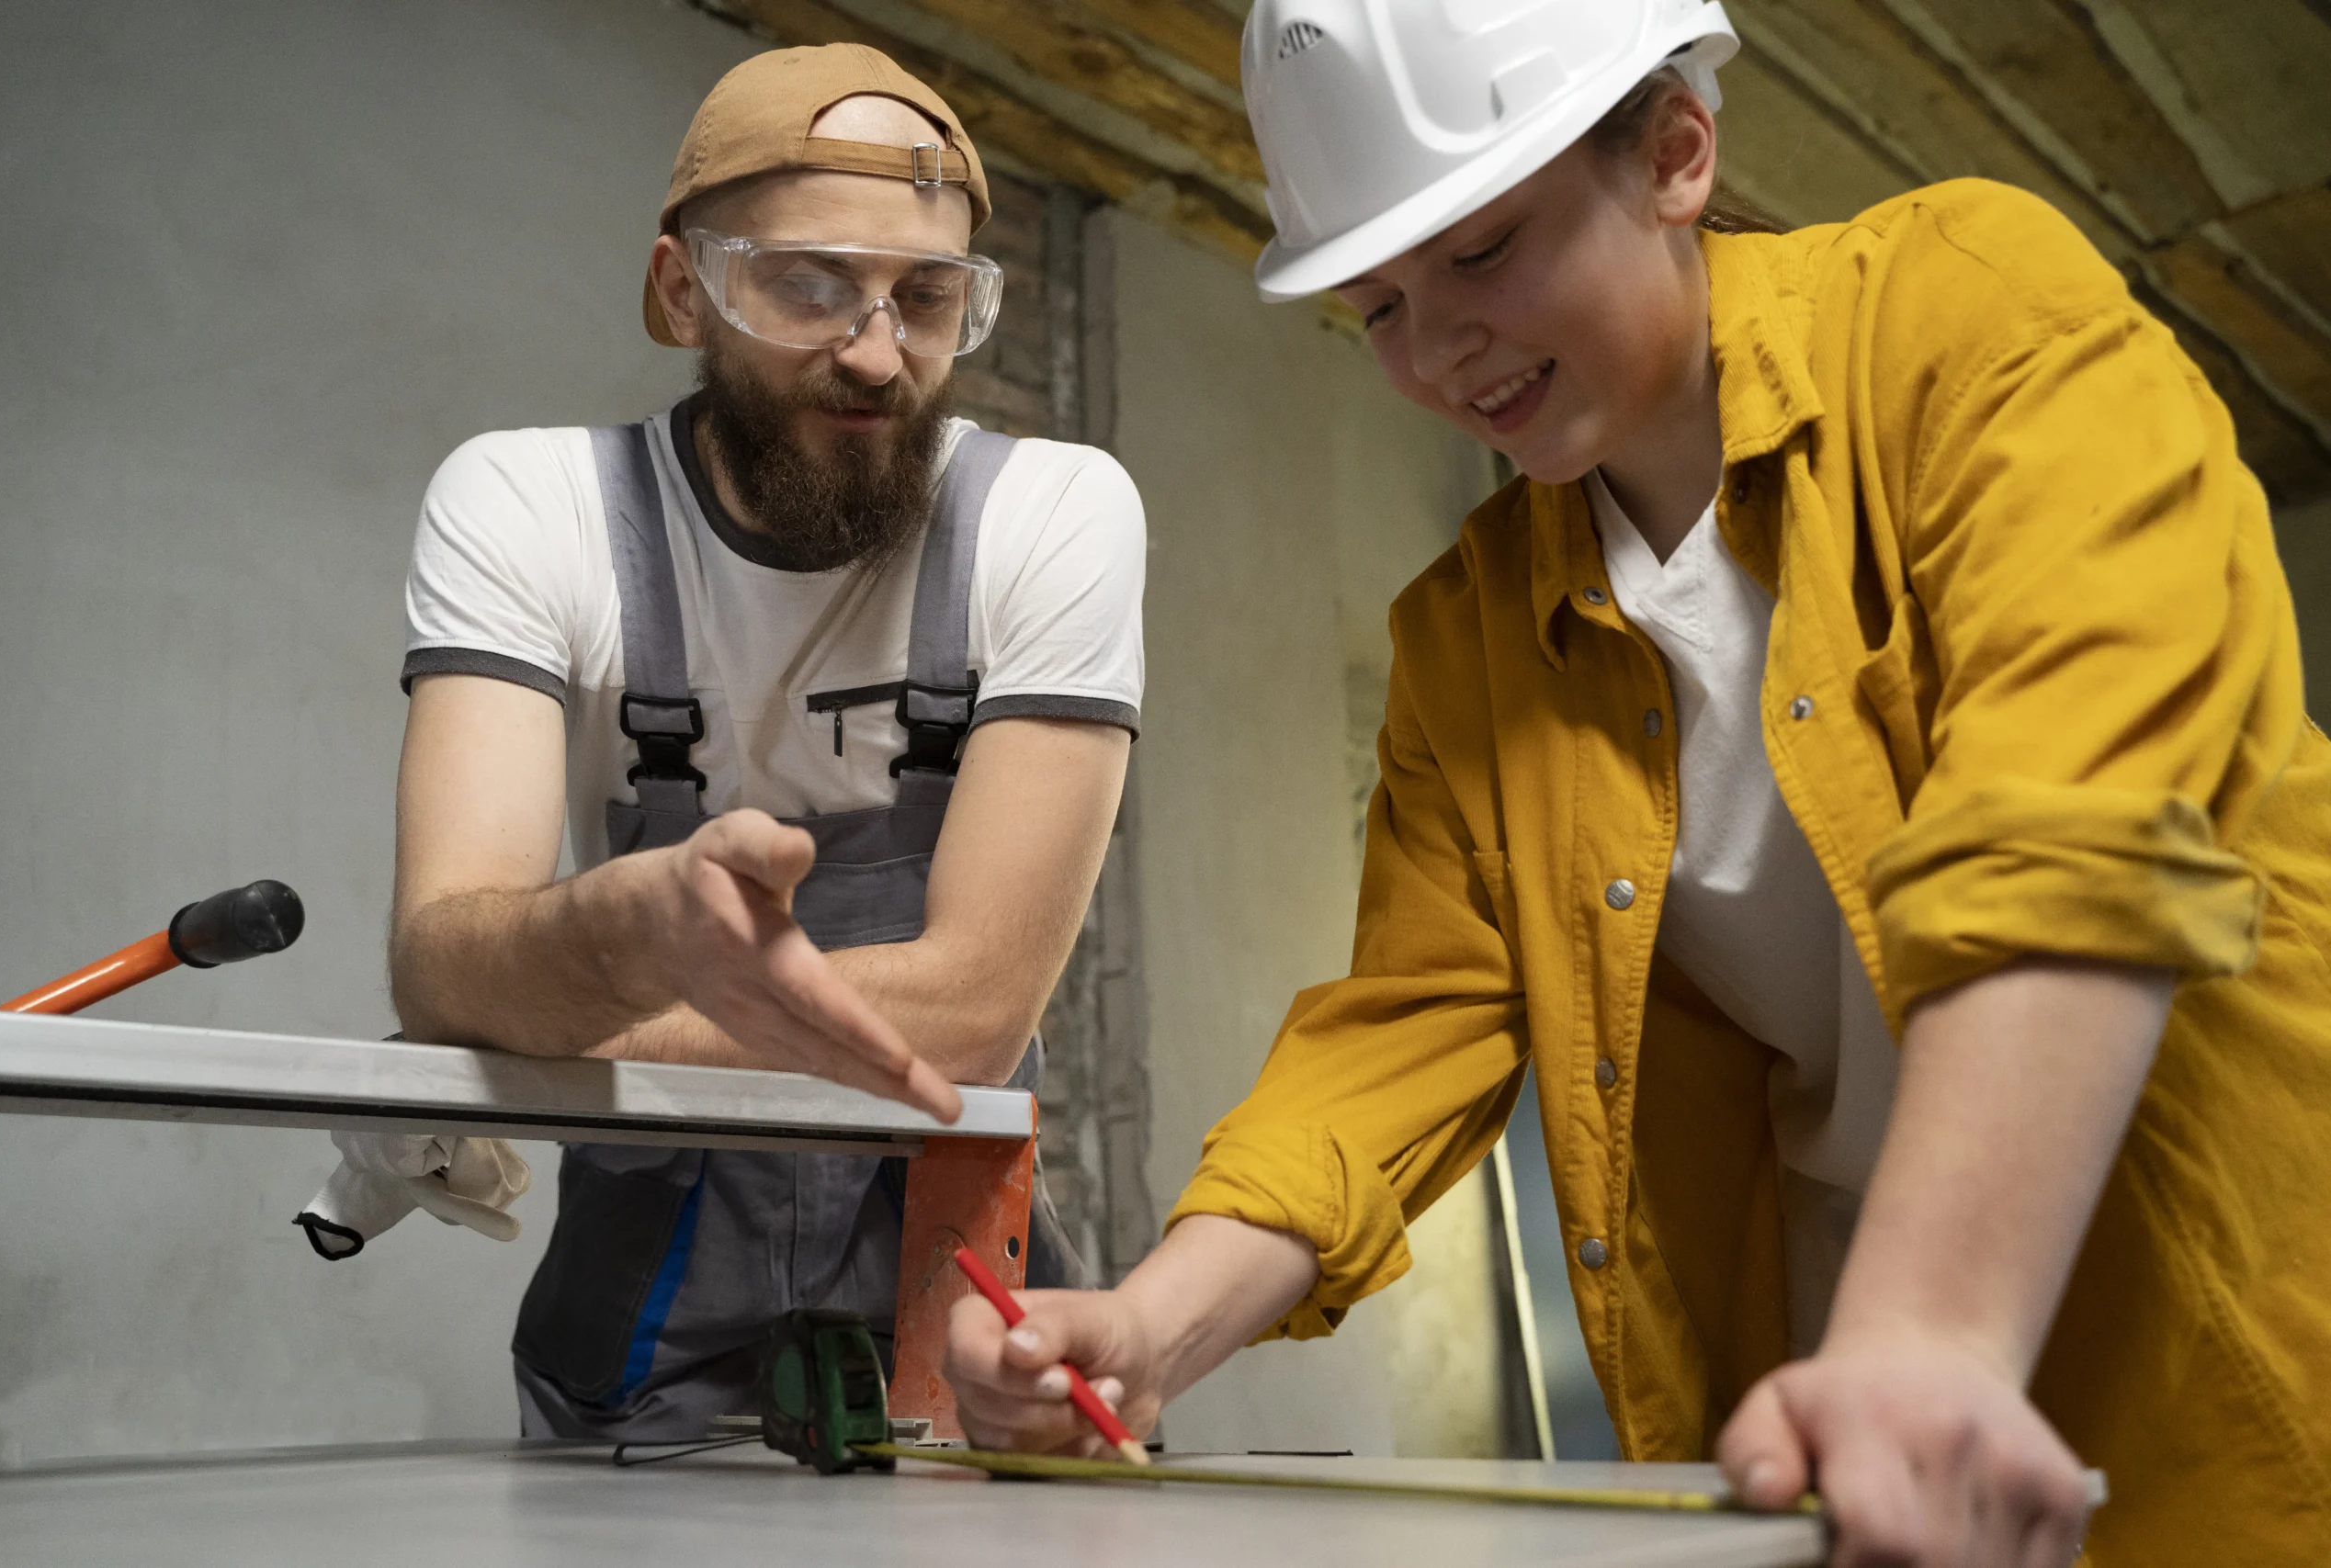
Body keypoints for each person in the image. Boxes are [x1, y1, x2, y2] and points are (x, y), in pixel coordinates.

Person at [943, 5, 2331, 1565]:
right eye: (1377, 304)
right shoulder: (1468, 638)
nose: (1435, 349)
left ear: (1677, 149)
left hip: (2221, 1368)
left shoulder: (1970, 315)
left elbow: (2075, 810)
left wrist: (1934, 1330)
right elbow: (1400, 1037)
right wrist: (1147, 1325)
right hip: (1838, 1407)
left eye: (1479, 253)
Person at [386, 43, 1145, 1441]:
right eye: (810, 283)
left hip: (968, 1333)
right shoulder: (529, 505)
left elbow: (975, 1010)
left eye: (926, 298)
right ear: (686, 288)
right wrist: (627, 926)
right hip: (633, 1347)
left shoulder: (1054, 515)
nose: (875, 352)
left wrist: (556, 1010)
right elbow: (440, 956)